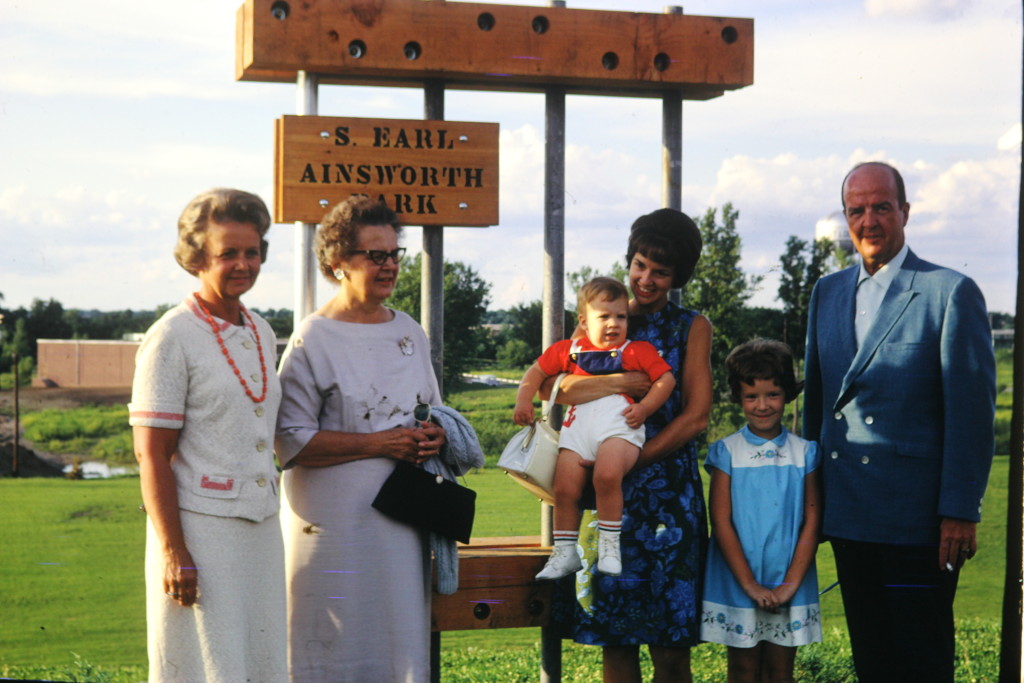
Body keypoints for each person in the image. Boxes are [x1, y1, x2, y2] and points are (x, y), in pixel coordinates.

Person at [803, 162, 996, 682]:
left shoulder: (949, 292)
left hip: (919, 523)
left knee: (920, 660)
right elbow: (817, 407)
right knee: (872, 659)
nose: (869, 220)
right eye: (856, 210)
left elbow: (972, 415)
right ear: (845, 218)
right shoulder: (827, 292)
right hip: (849, 516)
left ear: (904, 212)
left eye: (881, 207)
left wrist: (959, 511)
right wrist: (811, 501)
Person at [274, 196, 449, 683]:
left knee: (395, 648)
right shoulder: (313, 339)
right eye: (375, 255)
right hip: (331, 533)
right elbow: (290, 444)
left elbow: (432, 411)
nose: (390, 265)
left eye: (395, 254)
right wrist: (379, 444)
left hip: (400, 526)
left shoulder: (410, 332)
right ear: (337, 263)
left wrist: (435, 435)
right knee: (329, 654)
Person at [129, 188, 286, 682]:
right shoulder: (171, 336)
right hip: (201, 535)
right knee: (206, 666)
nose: (243, 264)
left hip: (261, 529)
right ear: (198, 257)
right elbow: (151, 456)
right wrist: (175, 553)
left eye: (252, 251)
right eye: (228, 253)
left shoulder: (260, 330)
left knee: (260, 664)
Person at [551, 208, 712, 682]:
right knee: (614, 642)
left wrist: (635, 458)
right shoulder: (602, 316)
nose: (646, 279)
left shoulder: (691, 327)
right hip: (608, 502)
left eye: (660, 272)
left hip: (668, 504)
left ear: (677, 276)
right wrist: (627, 380)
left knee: (670, 647)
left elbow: (697, 415)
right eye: (640, 265)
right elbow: (563, 389)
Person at [514, 277, 676, 578]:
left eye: (620, 316)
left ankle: (609, 547)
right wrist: (523, 401)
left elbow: (666, 379)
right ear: (584, 322)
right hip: (578, 433)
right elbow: (535, 373)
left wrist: (645, 407)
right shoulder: (569, 350)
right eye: (604, 316)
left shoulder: (636, 350)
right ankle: (564, 553)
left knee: (607, 474)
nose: (614, 323)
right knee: (564, 489)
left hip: (619, 430)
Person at [701, 338, 822, 682]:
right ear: (738, 398)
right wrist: (751, 585)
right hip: (739, 579)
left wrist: (789, 584)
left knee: (780, 671)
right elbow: (721, 522)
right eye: (751, 396)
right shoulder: (726, 452)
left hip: (789, 577)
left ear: (787, 394)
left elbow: (812, 521)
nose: (763, 405)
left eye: (773, 394)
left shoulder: (806, 453)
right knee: (743, 670)